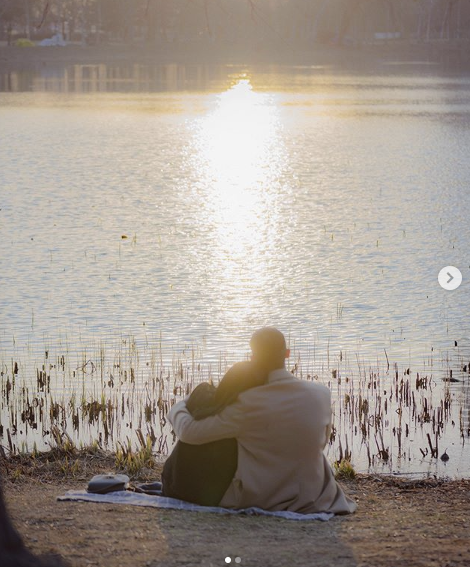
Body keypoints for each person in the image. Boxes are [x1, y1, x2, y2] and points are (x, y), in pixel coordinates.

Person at [168, 327, 357, 514]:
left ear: (253, 358)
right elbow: (321, 443)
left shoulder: (247, 403)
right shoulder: (321, 394)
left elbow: (189, 432)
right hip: (313, 494)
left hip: (264, 497)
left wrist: (182, 405)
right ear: (287, 354)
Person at [161, 361, 267, 505]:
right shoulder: (234, 414)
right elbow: (187, 431)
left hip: (184, 481)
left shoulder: (216, 404)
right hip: (183, 487)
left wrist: (181, 404)